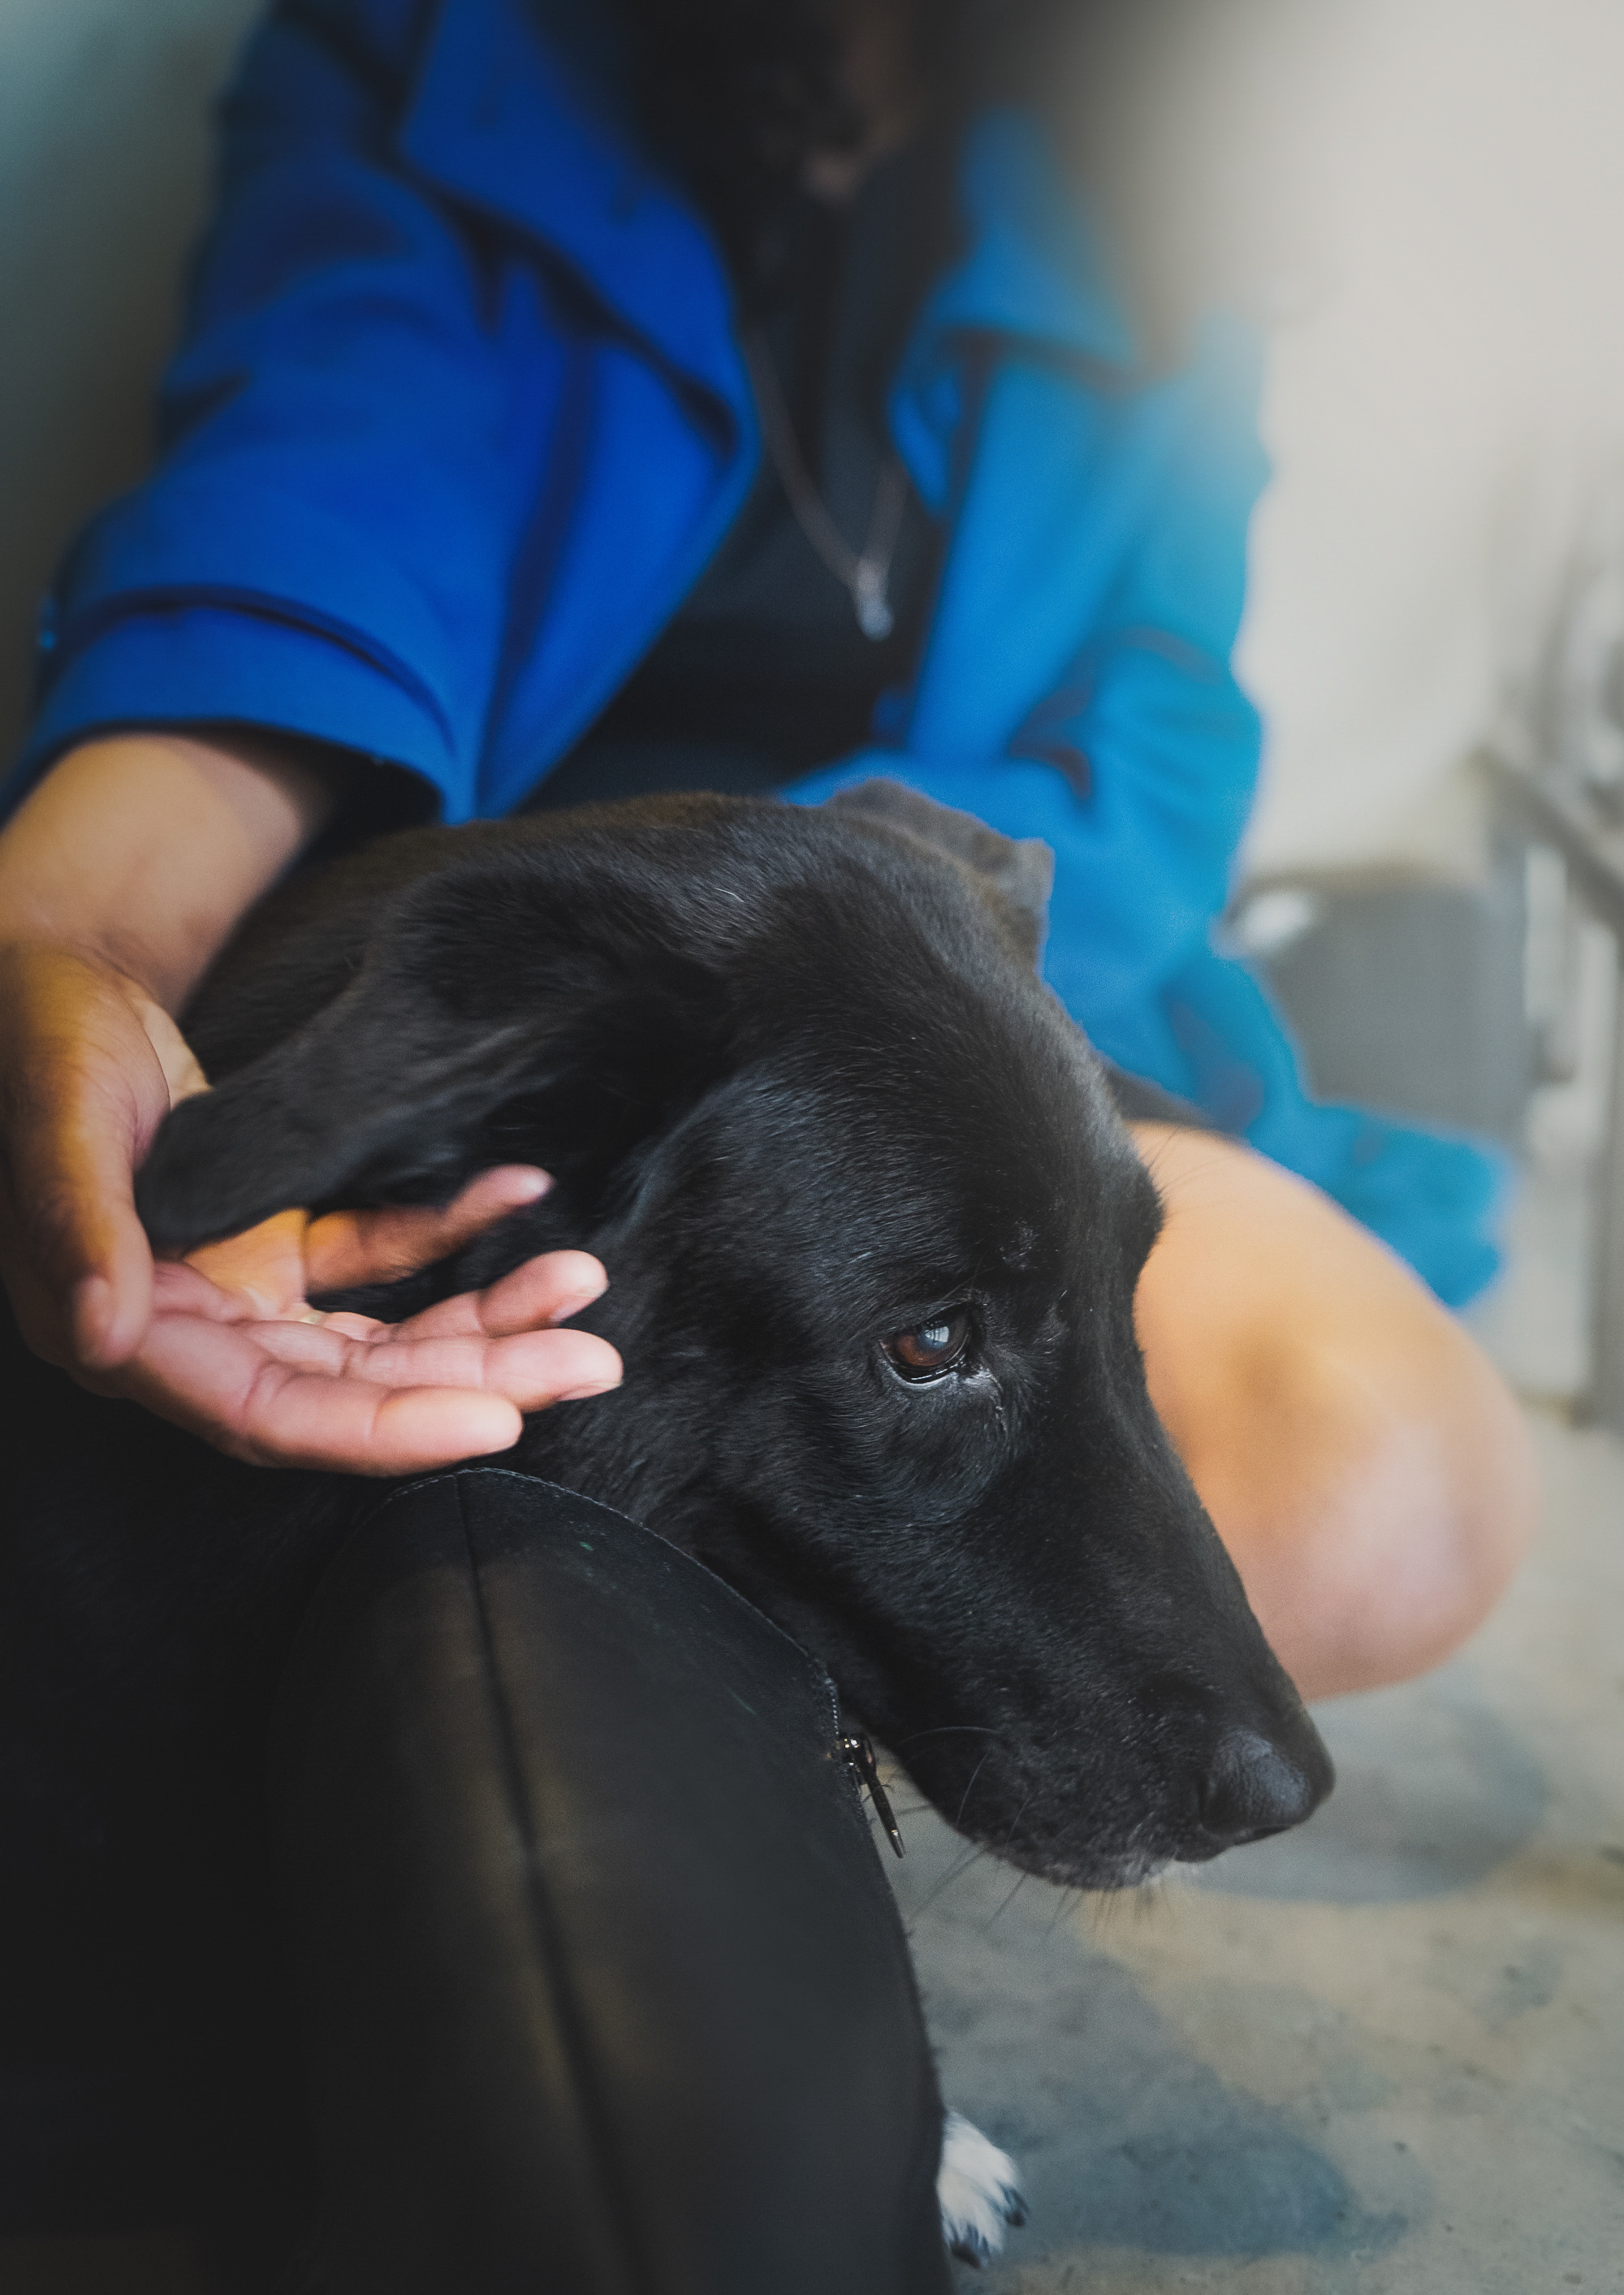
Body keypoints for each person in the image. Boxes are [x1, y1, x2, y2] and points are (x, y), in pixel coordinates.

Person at [0, 0, 1536, 1702]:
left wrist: (854, 916)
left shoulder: (1172, 180)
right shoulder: (438, 47)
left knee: (1382, 1502)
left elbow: (1163, 739)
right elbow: (304, 533)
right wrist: (74, 938)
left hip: (1003, 976)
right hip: (594, 1010)